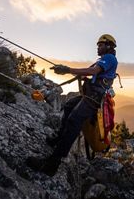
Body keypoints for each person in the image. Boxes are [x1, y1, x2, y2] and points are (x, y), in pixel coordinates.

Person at [26, 34, 118, 176]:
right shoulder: (103, 60)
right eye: (98, 45)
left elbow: (93, 71)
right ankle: (59, 139)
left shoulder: (109, 58)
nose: (98, 48)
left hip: (93, 99)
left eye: (100, 45)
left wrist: (68, 70)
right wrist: (74, 73)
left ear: (108, 46)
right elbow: (91, 72)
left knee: (74, 121)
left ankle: (52, 164)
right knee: (69, 105)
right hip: (89, 96)